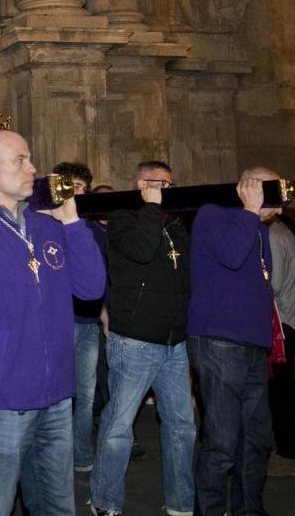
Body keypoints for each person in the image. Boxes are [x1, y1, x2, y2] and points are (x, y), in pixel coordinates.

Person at [0, 131, 106, 516]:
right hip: (2, 408)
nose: (33, 169)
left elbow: (92, 289)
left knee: (58, 509)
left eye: (30, 159)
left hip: (57, 399)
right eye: (21, 160)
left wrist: (73, 222)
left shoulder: (47, 226)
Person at [90, 161, 194, 516]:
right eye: (159, 183)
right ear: (141, 184)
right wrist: (149, 206)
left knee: (182, 427)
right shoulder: (123, 218)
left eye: (170, 183)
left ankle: (181, 503)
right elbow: (141, 250)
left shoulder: (177, 224)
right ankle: (105, 501)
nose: (166, 189)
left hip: (174, 342)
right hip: (134, 341)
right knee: (119, 426)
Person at [188, 167, 280, 516]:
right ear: (252, 187)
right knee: (222, 443)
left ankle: (249, 511)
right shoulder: (214, 214)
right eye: (275, 192)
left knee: (255, 440)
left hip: (253, 344)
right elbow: (231, 256)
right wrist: (250, 211)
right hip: (220, 341)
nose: (283, 205)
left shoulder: (258, 228)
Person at [51, 161, 109, 476]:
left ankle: (82, 458)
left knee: (86, 396)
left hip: (86, 324)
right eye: (72, 188)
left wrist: (103, 315)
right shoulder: (47, 224)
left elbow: (93, 280)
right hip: (60, 324)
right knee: (60, 397)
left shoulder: (88, 229)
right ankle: (56, 463)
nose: (78, 194)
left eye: (83, 189)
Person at [266, 216, 295, 468]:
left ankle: (287, 450)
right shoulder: (283, 229)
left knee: (278, 390)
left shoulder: (272, 235)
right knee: (287, 387)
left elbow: (274, 284)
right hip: (289, 321)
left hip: (282, 325)